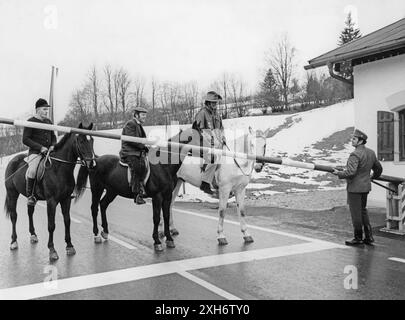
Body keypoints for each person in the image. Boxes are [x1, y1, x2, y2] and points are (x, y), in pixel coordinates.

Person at [332, 129, 383, 246]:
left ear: (360, 141)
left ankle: (358, 238)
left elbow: (350, 172)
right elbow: (378, 169)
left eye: (354, 139)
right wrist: (372, 177)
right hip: (365, 187)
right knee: (363, 211)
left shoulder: (355, 154)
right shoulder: (371, 152)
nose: (352, 140)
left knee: (356, 214)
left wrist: (338, 173)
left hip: (355, 188)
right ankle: (369, 237)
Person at [22, 98, 57, 206]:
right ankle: (30, 195)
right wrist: (40, 147)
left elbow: (53, 137)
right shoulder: (30, 121)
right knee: (32, 170)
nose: (46, 112)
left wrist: (53, 145)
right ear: (38, 110)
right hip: (36, 152)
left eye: (47, 110)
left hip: (49, 152)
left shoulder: (48, 122)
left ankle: (65, 191)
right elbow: (25, 139)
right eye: (44, 109)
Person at [194, 91, 226, 195]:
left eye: (216, 103)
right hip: (202, 140)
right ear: (207, 103)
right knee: (214, 158)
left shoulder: (217, 114)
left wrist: (223, 137)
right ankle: (205, 183)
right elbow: (199, 130)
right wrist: (211, 141)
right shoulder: (202, 113)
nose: (215, 105)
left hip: (216, 142)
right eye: (213, 103)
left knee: (224, 158)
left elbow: (221, 128)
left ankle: (218, 182)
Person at [119, 107, 149, 205]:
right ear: (136, 115)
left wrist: (146, 147)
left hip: (137, 152)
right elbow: (132, 140)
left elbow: (141, 141)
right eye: (143, 115)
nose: (145, 117)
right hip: (129, 152)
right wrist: (143, 146)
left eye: (145, 115)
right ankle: (137, 194)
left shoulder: (138, 125)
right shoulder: (131, 124)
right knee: (137, 167)